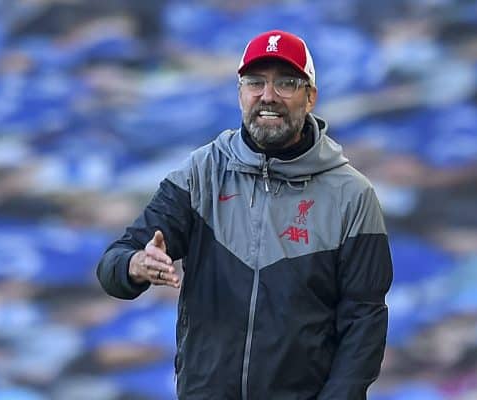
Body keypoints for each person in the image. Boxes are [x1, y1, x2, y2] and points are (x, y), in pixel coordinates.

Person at [97, 29, 393, 400]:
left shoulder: (352, 195)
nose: (268, 96)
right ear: (240, 93)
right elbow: (114, 262)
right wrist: (135, 264)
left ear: (310, 97)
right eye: (255, 82)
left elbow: (364, 321)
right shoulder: (201, 173)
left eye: (286, 83)